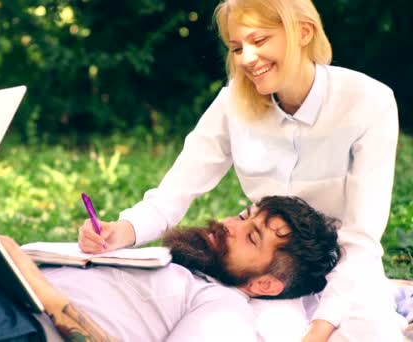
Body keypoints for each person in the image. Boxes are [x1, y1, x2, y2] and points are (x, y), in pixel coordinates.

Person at [0, 70, 341, 341]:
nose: (228, 224)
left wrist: (39, 288)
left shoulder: (225, 312)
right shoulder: (163, 264)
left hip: (8, 327)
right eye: (244, 216)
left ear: (266, 284)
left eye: (251, 237)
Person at [77, 0, 401, 341]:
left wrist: (320, 329)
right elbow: (173, 195)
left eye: (259, 41)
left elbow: (360, 241)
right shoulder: (231, 103)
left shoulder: (370, 101)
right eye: (236, 47)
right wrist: (122, 231)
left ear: (304, 32)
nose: (247, 58)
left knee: (372, 334)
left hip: (348, 268)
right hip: (265, 269)